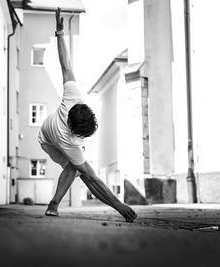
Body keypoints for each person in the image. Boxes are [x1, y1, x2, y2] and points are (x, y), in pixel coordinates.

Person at [38, 8, 137, 223]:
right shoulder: (69, 140)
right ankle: (54, 203)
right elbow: (91, 179)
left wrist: (60, 33)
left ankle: (53, 204)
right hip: (48, 139)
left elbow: (65, 64)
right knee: (76, 169)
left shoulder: (72, 96)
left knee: (76, 165)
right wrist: (118, 205)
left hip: (53, 127)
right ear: (75, 133)